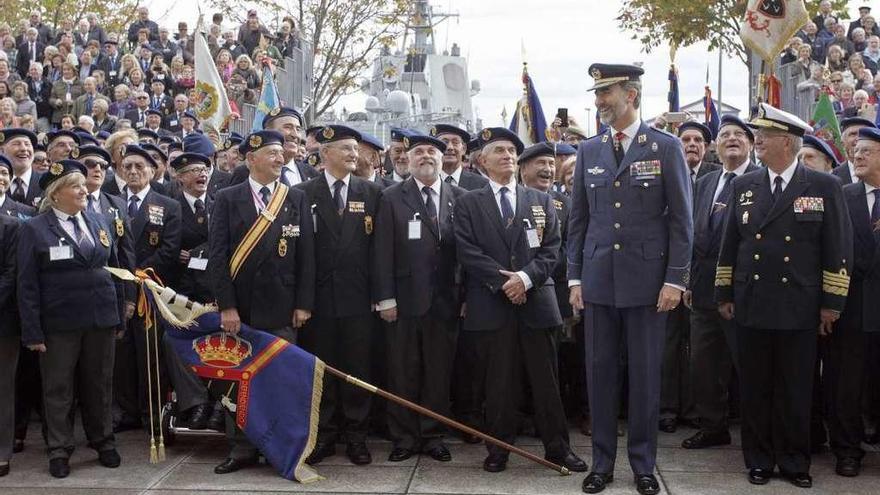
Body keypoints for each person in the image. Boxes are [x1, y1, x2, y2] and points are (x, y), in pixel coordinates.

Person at [568, 64, 692, 495]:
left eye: (608, 93)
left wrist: (675, 280)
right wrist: (574, 278)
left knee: (644, 378)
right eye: (598, 93)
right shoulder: (589, 150)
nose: (600, 101)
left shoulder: (664, 146)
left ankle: (643, 465)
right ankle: (601, 463)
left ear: (632, 96)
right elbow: (578, 222)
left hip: (647, 285)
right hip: (599, 281)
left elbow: (681, 221)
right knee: (599, 375)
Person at [715, 103, 852, 488]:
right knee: (755, 389)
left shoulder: (823, 186)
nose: (757, 141)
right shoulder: (744, 186)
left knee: (794, 389)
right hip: (752, 301)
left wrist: (832, 302)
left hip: (799, 306)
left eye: (765, 136)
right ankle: (758, 459)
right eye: (757, 134)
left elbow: (836, 247)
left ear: (788, 142)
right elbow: (731, 245)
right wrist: (724, 290)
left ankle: (794, 462)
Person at [454, 127, 585, 474]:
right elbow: (468, 251)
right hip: (492, 305)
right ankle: (498, 449)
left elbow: (552, 248)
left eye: (512, 151)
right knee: (498, 384)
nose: (508, 156)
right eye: (499, 151)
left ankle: (558, 449)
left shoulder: (542, 201)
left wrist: (525, 279)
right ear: (483, 161)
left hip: (536, 305)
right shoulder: (468, 202)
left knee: (547, 383)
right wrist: (506, 283)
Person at [208, 129, 315, 474]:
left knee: (280, 379)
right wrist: (226, 306)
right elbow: (219, 258)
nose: (280, 158)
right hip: (241, 309)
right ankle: (240, 448)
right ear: (251, 159)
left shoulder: (293, 197)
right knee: (238, 379)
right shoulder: (228, 198)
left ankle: (278, 446)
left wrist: (303, 303)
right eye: (272, 153)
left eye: (281, 153)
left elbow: (306, 256)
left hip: (283, 307)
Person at [16, 159, 124, 478]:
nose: (83, 189)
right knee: (58, 388)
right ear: (56, 193)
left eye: (82, 184)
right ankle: (60, 448)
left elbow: (115, 270)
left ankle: (103, 441)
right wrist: (32, 332)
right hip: (58, 324)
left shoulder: (99, 220)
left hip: (100, 320)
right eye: (75, 185)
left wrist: (117, 315)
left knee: (99, 384)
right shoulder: (34, 228)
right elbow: (27, 283)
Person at [373, 133, 466, 462]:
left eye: (432, 152)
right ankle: (404, 436)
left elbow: (466, 254)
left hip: (447, 301)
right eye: (419, 152)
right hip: (404, 300)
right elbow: (382, 251)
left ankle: (433, 433)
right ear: (407, 159)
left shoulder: (461, 196)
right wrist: (385, 298)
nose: (426, 156)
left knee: (439, 372)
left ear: (443, 160)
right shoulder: (391, 197)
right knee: (403, 370)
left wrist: (466, 296)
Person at [297, 125, 382, 467]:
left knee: (358, 368)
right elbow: (300, 252)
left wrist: (380, 295)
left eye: (355, 148)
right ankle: (324, 435)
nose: (353, 154)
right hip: (318, 301)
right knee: (322, 368)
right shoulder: (303, 193)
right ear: (325, 153)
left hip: (359, 300)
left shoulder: (371, 192)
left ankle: (357, 436)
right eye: (345, 148)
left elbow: (379, 250)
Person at [683, 115, 758, 451]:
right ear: (716, 145)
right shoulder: (705, 182)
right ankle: (712, 426)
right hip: (702, 290)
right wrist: (686, 281)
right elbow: (691, 235)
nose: (731, 139)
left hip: (743, 292)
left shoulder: (760, 180)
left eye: (739, 134)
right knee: (703, 364)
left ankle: (757, 432)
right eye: (725, 134)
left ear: (751, 143)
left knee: (748, 365)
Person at [0, 209, 18, 477]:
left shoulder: (10, 226)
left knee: (2, 389)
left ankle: (1, 451)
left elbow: (12, 272)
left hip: (2, 320)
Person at [432, 124, 488, 190]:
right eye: (445, 142)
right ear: (435, 148)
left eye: (455, 142)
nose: (450, 147)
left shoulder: (482, 184)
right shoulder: (426, 182)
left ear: (464, 149)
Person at [1, 127, 42, 207]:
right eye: (16, 144)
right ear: (2, 151)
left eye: (27, 144)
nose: (24, 149)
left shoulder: (46, 183)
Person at [834, 117, 876, 184]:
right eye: (853, 134)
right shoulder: (832, 177)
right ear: (843, 143)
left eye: (864, 134)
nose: (858, 138)